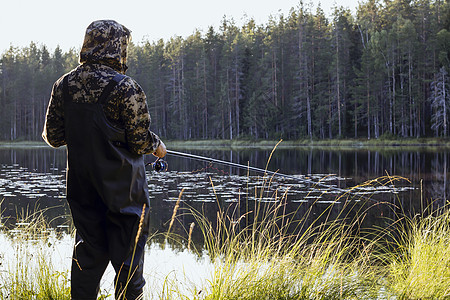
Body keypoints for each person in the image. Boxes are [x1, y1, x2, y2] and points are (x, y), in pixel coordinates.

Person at [42, 20, 166, 299]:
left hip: (83, 191)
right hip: (125, 197)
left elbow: (53, 137)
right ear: (118, 46)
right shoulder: (126, 87)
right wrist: (157, 146)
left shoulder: (63, 85)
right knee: (129, 271)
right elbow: (139, 140)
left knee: (86, 267)